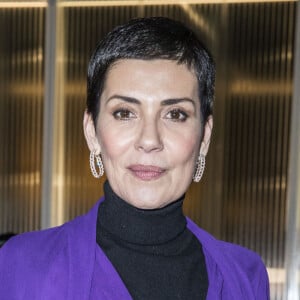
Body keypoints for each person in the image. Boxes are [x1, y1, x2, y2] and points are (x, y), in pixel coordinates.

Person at [0, 17, 269, 299]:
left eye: (175, 114)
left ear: (204, 137)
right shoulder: (20, 266)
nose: (149, 140)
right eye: (125, 113)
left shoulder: (245, 276)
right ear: (92, 131)